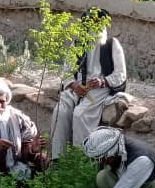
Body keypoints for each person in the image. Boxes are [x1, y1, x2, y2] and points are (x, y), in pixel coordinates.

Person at [49, 8, 127, 160]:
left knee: (80, 115)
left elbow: (120, 74)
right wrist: (73, 85)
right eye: (92, 23)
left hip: (99, 89)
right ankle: (58, 159)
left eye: (100, 24)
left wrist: (103, 81)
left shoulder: (112, 44)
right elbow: (66, 71)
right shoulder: (77, 44)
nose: (96, 27)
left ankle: (81, 160)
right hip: (76, 88)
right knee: (60, 111)